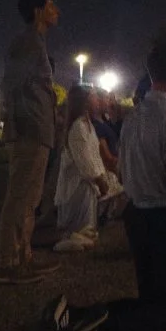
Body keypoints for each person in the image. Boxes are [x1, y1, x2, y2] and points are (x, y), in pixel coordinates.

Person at [34, 36, 166, 331]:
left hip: (141, 218)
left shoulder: (134, 118)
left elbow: (125, 171)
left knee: (152, 301)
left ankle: (75, 314)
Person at [0, 0, 62, 284]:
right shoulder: (27, 43)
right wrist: (16, 125)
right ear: (37, 11)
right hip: (29, 131)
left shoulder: (37, 43)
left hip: (38, 130)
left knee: (30, 198)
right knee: (20, 197)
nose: (56, 11)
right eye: (51, 6)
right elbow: (9, 87)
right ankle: (8, 264)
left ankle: (24, 257)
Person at [53, 85, 116, 253]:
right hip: (78, 188)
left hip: (88, 186)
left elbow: (93, 158)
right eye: (94, 97)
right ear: (85, 102)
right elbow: (85, 163)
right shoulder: (78, 128)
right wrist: (100, 180)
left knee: (88, 234)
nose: (98, 100)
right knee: (82, 234)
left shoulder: (87, 125)